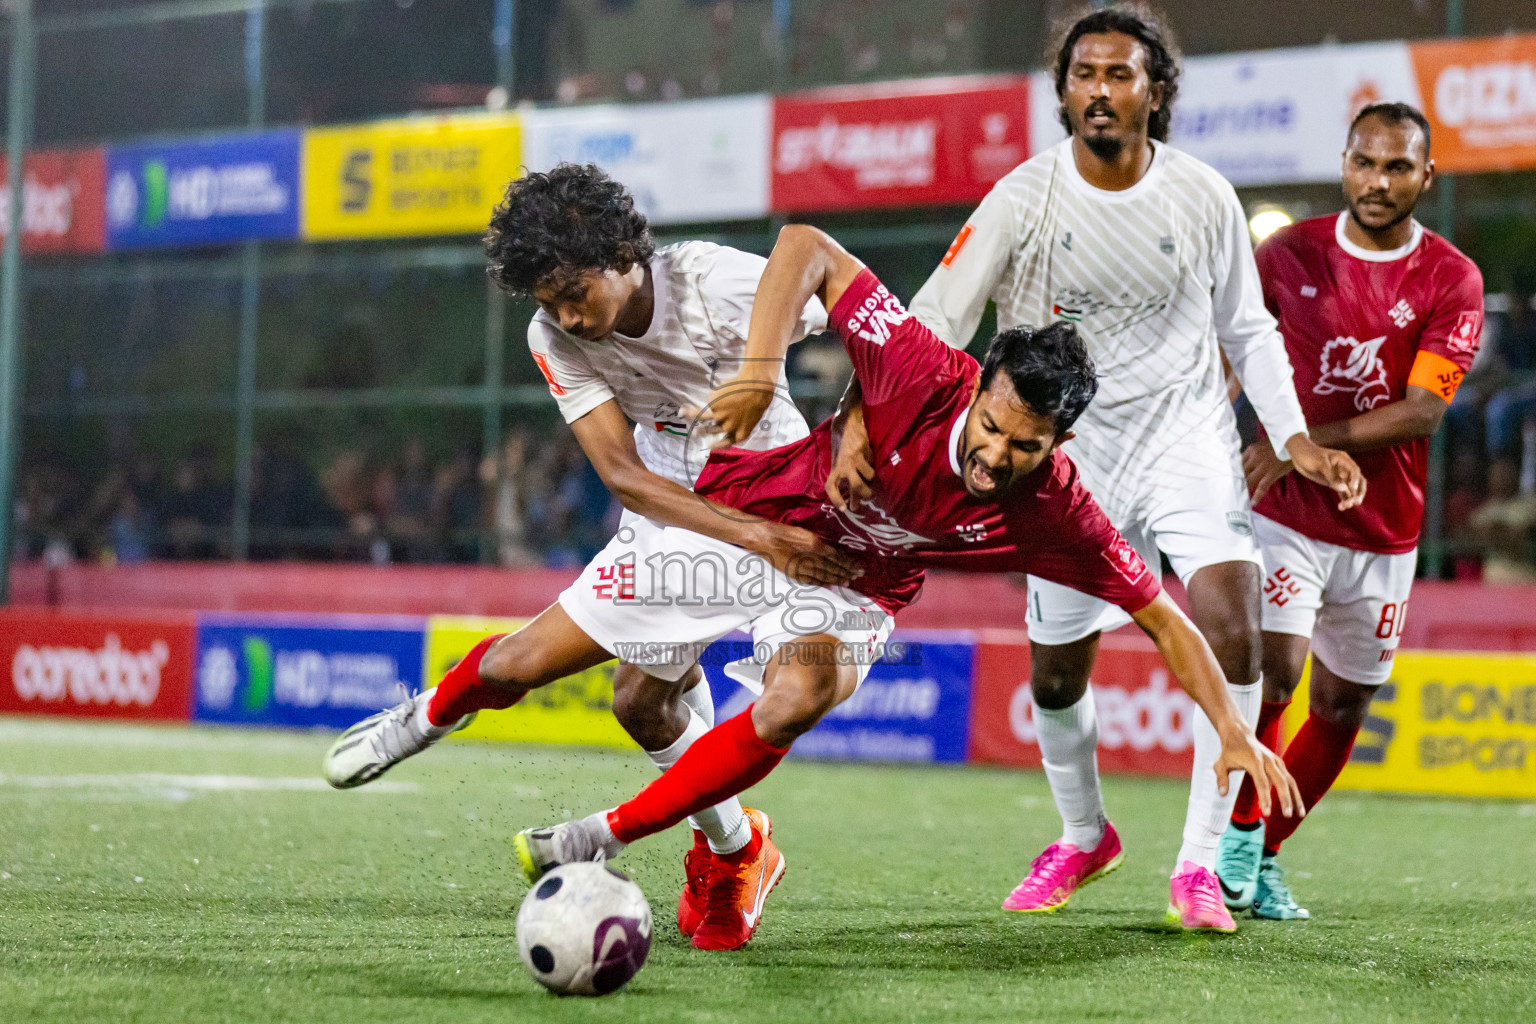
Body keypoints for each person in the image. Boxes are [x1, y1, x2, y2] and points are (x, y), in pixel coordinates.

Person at [493, 224, 1301, 943]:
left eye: (1025, 448)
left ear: (1061, 442)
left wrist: (1233, 730)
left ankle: (608, 833)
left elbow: (1166, 621)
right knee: (637, 695)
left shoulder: (1061, 512)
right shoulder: (922, 367)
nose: (994, 457)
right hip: (781, 511)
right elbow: (806, 245)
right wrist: (776, 382)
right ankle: (730, 847)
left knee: (794, 696)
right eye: (991, 426)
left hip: (864, 584)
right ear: (980, 388)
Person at [865, 3, 1364, 931]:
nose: (1099, 90)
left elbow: (1247, 331)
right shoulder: (1022, 197)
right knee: (1056, 678)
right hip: (1066, 458)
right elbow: (937, 318)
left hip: (1185, 439)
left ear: (1156, 91)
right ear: (1063, 90)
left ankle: (1200, 866)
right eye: (1083, 74)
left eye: (1120, 75)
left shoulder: (1205, 194)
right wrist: (872, 419)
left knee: (1232, 627)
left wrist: (1291, 436)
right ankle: (1084, 834)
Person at [325, 163, 855, 951]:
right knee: (606, 693)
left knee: (792, 689)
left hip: (788, 504)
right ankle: (427, 716)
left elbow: (871, 328)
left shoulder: (714, 281)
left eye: (576, 292)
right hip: (679, 516)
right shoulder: (553, 334)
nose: (567, 317)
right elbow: (621, 476)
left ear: (621, 253)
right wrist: (753, 536)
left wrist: (833, 430)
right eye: (549, 301)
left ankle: (732, 857)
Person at [1216, 104, 1485, 918]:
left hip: (1384, 527)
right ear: (1344, 163)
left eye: (1398, 168)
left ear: (1424, 177)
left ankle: (1260, 852)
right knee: (1278, 667)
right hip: (1287, 512)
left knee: (1341, 705)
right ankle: (1229, 839)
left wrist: (1296, 437)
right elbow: (1232, 354)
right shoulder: (1286, 253)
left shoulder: (1452, 278)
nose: (1378, 181)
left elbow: (1421, 412)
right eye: (1365, 163)